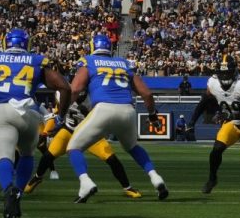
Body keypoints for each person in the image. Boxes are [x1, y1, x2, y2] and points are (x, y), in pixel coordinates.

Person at [63, 33, 169, 203]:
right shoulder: (124, 63)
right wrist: (153, 116)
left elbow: (75, 90)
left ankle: (85, 183)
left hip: (103, 109)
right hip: (127, 110)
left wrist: (61, 110)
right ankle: (155, 177)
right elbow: (147, 94)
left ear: (93, 47)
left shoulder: (88, 61)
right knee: (132, 146)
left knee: (73, 147)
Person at [0, 27, 69, 218]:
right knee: (27, 155)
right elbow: (65, 86)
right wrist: (60, 118)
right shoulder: (37, 60)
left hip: (3, 109)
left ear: (6, 43)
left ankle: (8, 191)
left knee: (4, 157)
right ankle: (18, 194)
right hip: (29, 111)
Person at [189, 55, 240, 195]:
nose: (225, 75)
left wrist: (231, 115)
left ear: (234, 71)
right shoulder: (213, 83)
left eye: (227, 72)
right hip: (232, 124)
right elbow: (204, 101)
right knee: (216, 149)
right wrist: (192, 121)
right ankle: (212, 179)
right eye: (222, 72)